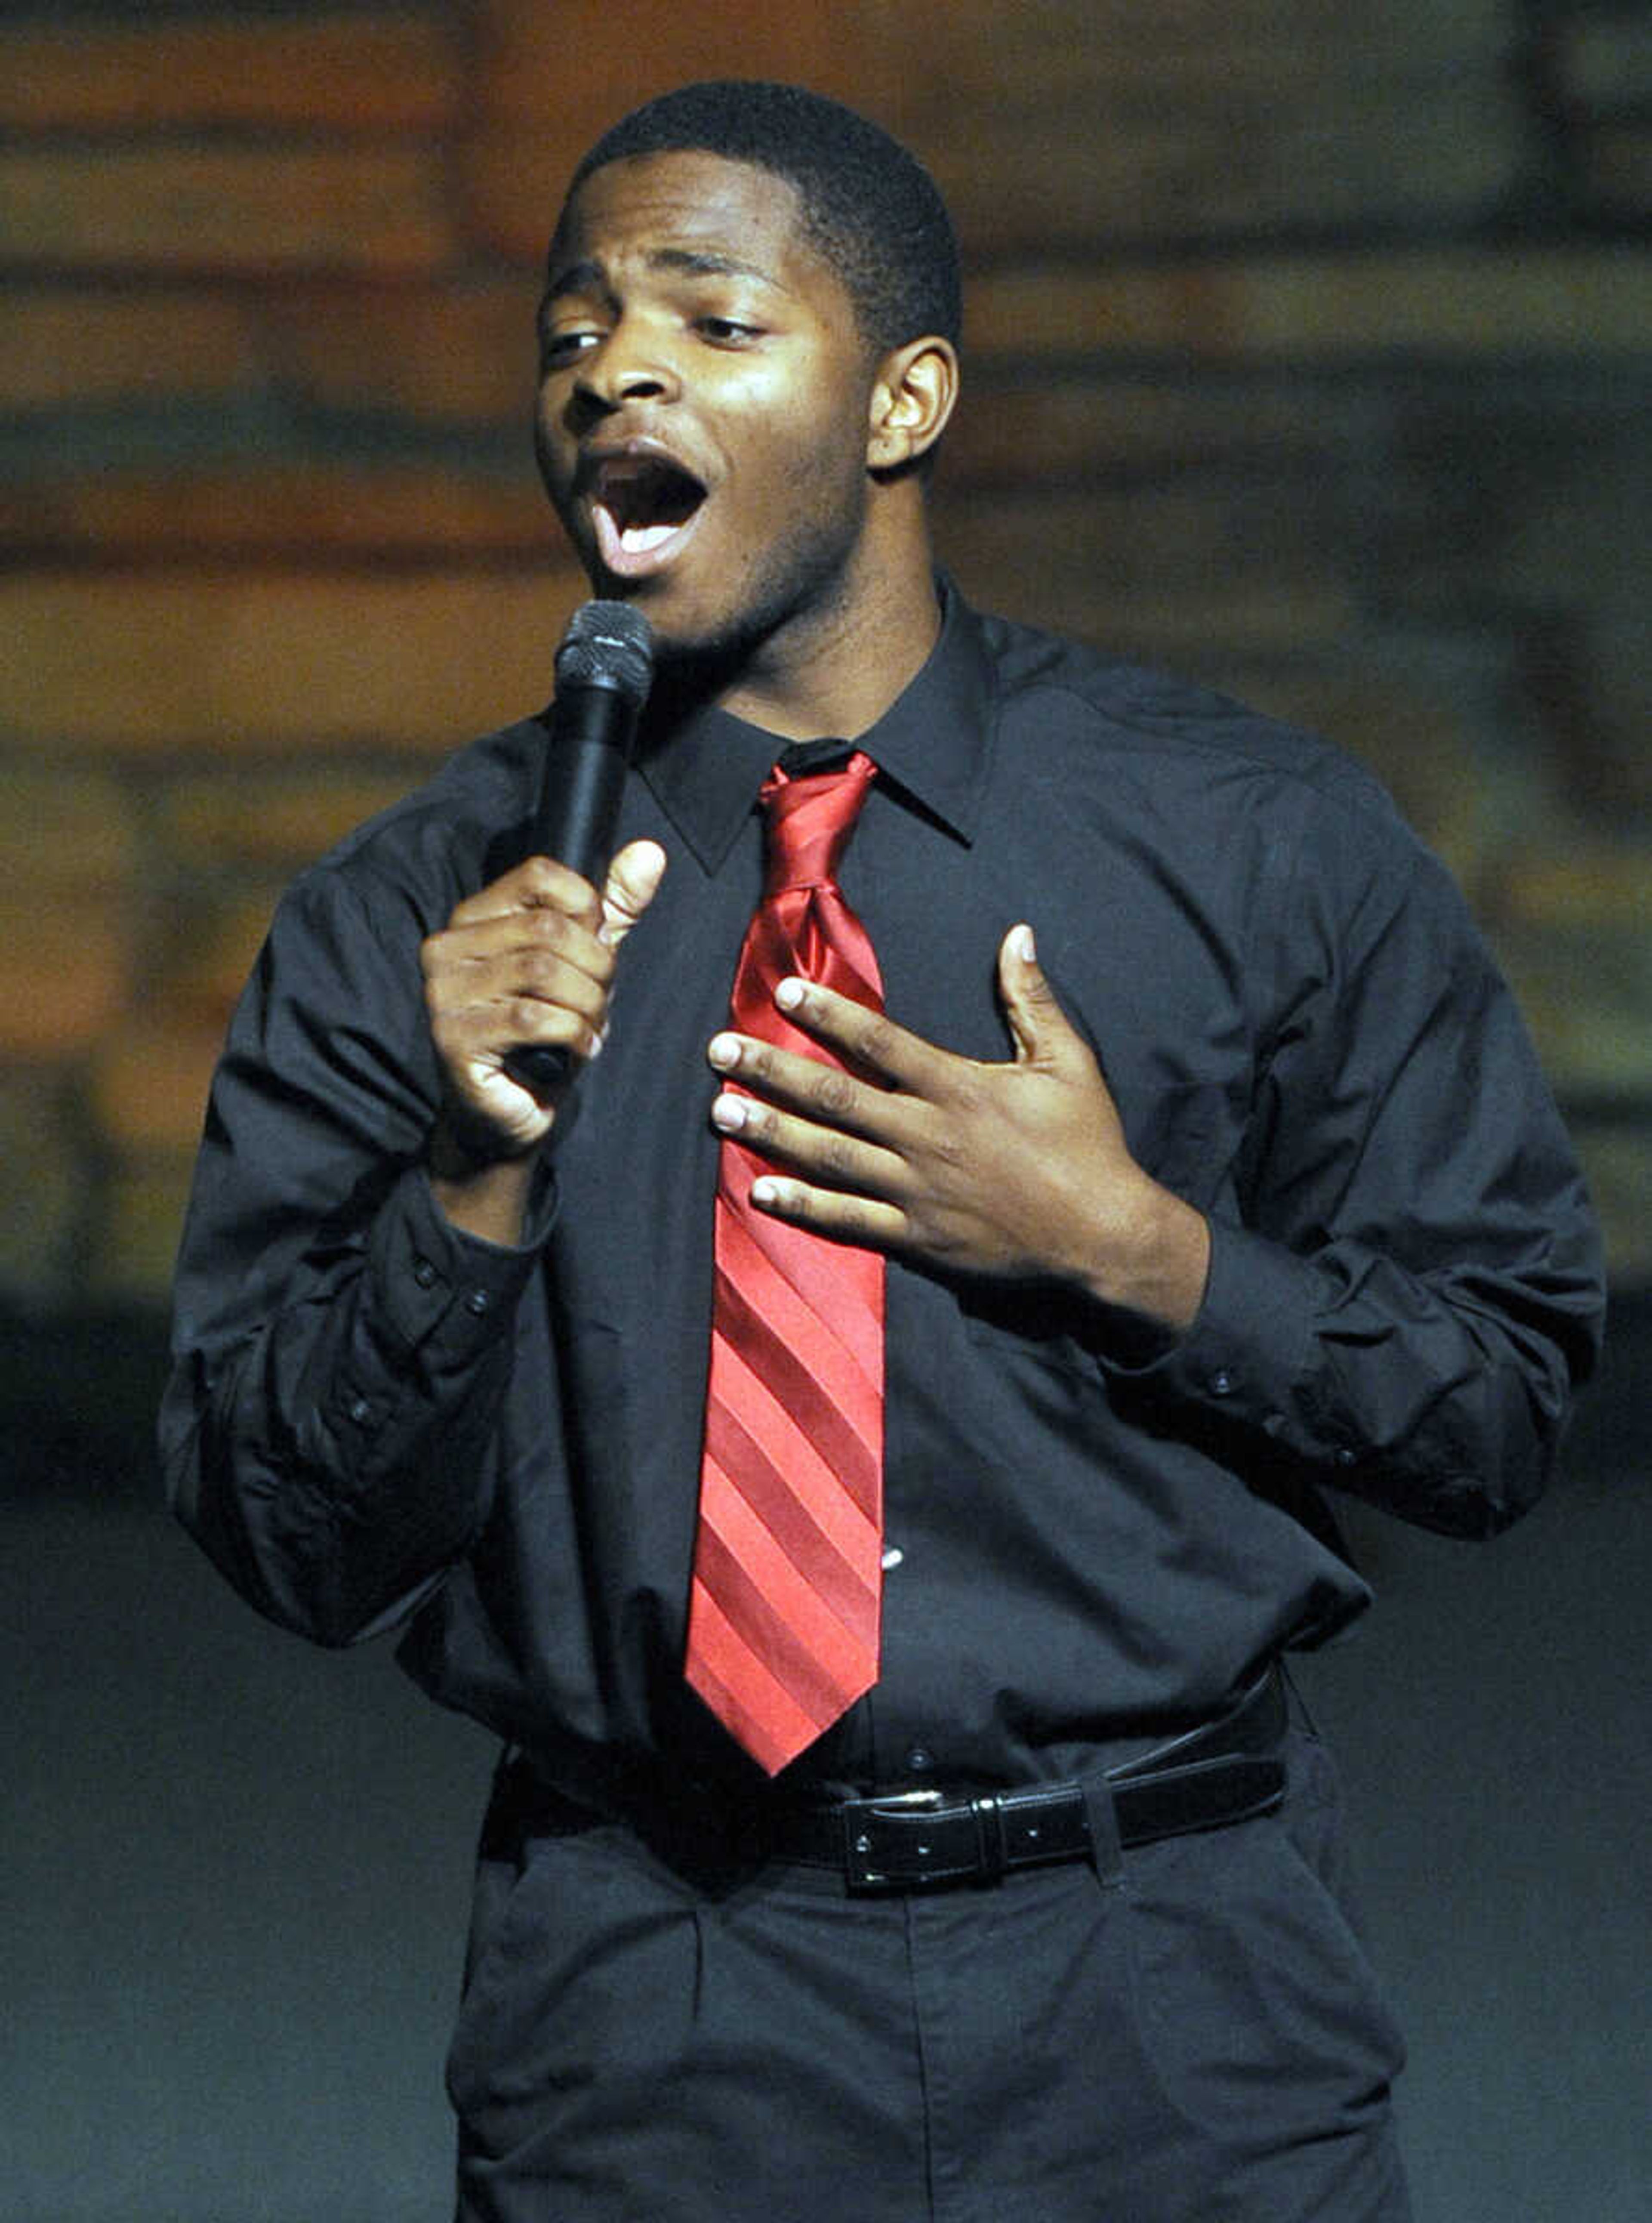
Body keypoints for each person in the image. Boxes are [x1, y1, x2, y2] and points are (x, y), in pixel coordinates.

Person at [162, 80, 1605, 2223]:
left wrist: (1142, 1252)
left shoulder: (1252, 840)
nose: (614, 372)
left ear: (907, 398)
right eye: (571, 332)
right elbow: (289, 1538)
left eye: (710, 319)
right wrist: (471, 1178)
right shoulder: (421, 918)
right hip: (655, 1992)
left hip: (1171, 1988)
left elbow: (1497, 1406)